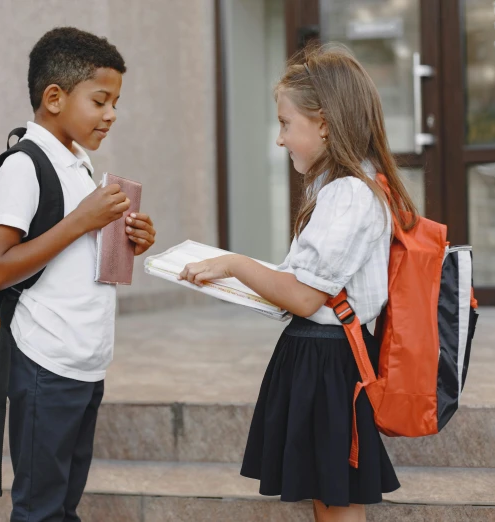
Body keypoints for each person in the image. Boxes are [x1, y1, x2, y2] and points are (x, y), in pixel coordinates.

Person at [179, 44, 417, 521]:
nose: (280, 139)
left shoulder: (349, 194)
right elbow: (306, 282)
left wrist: (234, 264)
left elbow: (307, 297)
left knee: (336, 501)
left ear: (324, 123)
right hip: (321, 358)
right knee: (328, 495)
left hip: (329, 363)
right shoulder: (339, 187)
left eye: (286, 124)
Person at [0, 27, 156, 522]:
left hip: (84, 360)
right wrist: (82, 220)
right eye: (100, 101)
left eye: (116, 102)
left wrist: (128, 238)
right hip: (44, 362)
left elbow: (71, 252)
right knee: (39, 508)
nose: (111, 115)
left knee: (62, 505)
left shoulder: (77, 163)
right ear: (54, 97)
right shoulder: (25, 166)